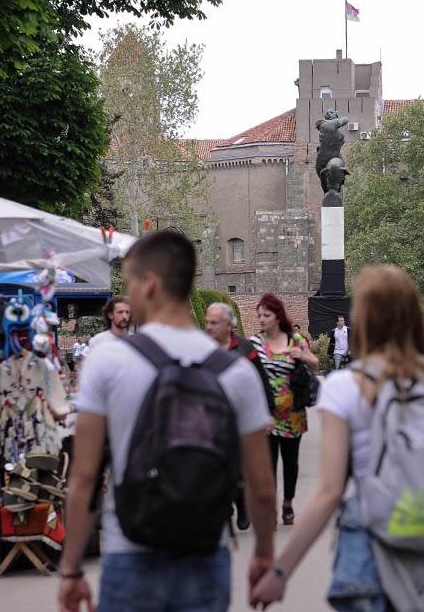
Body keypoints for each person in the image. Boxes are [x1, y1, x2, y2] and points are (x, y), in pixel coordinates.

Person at [249, 265, 424, 611]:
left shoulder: (345, 387)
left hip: (368, 553)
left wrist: (281, 572)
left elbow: (329, 494)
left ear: (363, 315)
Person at [58, 231, 277, 612]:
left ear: (150, 283)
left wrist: (72, 568)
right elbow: (260, 486)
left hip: (129, 550)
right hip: (207, 551)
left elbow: (84, 476)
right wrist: (263, 555)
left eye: (128, 283)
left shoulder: (108, 362)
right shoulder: (236, 372)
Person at [205, 301, 277, 531]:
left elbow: (262, 381)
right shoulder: (203, 350)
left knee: (238, 470)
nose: (208, 327)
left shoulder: (245, 349)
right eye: (207, 322)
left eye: (214, 323)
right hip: (212, 421)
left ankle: (242, 505)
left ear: (229, 326)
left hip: (241, 420)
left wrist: (268, 412)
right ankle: (223, 510)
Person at [251, 293, 319, 526]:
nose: (261, 319)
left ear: (277, 316)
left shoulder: (295, 339)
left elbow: (315, 363)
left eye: (266, 315)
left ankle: (288, 503)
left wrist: (303, 355)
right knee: (268, 464)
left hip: (292, 412)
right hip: (266, 413)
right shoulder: (256, 343)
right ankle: (270, 506)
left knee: (290, 462)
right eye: (259, 315)